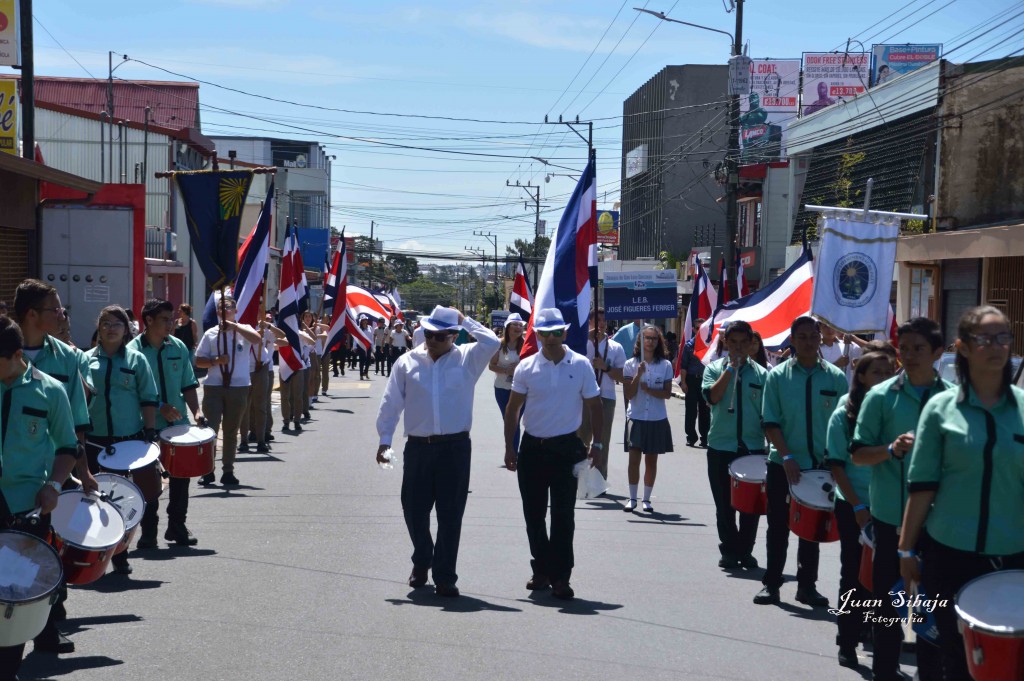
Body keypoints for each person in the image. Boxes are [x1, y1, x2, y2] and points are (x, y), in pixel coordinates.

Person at [899, 306, 1024, 681]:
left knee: (1012, 666)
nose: (996, 346)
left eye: (1003, 337)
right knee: (957, 663)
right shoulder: (940, 409)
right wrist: (906, 548)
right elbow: (921, 486)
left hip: (1014, 556)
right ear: (962, 347)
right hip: (949, 555)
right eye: (984, 338)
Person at [851, 317, 951, 681]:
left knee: (932, 615)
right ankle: (884, 672)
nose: (908, 356)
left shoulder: (953, 399)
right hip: (891, 520)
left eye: (918, 349)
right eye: (903, 348)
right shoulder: (880, 396)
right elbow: (858, 454)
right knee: (888, 610)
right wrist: (891, 450)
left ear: (938, 353)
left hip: (940, 525)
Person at [375, 306, 499, 597]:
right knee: (413, 508)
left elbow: (492, 342)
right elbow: (391, 402)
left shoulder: (468, 357)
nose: (431, 340)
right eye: (428, 334)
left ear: (453, 336)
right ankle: (422, 557)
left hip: (455, 447)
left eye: (439, 336)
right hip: (418, 447)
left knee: (450, 513)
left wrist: (463, 318)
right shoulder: (406, 363)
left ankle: (444, 575)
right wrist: (384, 440)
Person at [0, 316, 82, 675]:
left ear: (17, 355)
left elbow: (68, 447)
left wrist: (55, 485)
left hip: (25, 508)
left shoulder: (50, 391)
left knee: (12, 598)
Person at [503, 308, 604, 601]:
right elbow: (513, 409)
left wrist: (597, 444)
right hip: (533, 448)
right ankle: (541, 569)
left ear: (565, 333)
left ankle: (561, 576)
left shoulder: (581, 364)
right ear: (536, 335)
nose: (550, 338)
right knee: (534, 515)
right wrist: (510, 446)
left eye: (556, 332)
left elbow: (595, 406)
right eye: (544, 333)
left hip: (567, 449)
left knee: (563, 516)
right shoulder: (526, 367)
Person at [754, 315, 848, 607]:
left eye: (813, 336)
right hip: (783, 464)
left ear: (821, 338)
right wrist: (787, 456)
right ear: (792, 341)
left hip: (820, 467)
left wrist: (836, 461)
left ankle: (807, 586)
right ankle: (772, 584)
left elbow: (843, 423)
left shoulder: (835, 377)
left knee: (813, 527)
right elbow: (770, 421)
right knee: (778, 526)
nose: (809, 342)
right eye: (802, 337)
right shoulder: (778, 376)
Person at [825, 351, 897, 670]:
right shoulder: (844, 412)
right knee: (853, 575)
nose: (883, 377)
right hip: (853, 503)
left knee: (884, 580)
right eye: (876, 372)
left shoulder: (897, 410)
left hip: (889, 505)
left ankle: (877, 637)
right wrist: (856, 506)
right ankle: (847, 639)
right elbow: (837, 466)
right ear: (862, 376)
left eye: (888, 371)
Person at [84, 305, 159, 572]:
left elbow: (149, 398)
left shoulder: (137, 360)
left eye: (117, 323)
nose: (111, 328)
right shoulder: (85, 360)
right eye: (105, 323)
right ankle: (95, 554)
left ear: (126, 329)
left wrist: (150, 431)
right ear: (98, 328)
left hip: (129, 442)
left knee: (127, 498)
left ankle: (121, 554)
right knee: (96, 498)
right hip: (94, 441)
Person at [128, 299, 206, 547]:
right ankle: (148, 531)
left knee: (181, 477)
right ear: (148, 321)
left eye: (172, 319)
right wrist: (160, 406)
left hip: (178, 426)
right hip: (144, 425)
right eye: (165, 319)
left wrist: (197, 412)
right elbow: (131, 393)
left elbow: (188, 385)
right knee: (147, 480)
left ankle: (177, 526)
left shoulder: (179, 347)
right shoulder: (132, 352)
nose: (171, 324)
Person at [701, 321, 768, 569]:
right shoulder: (713, 369)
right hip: (721, 446)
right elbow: (713, 397)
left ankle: (745, 550)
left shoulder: (763, 374)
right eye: (733, 343)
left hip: (752, 448)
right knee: (724, 504)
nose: (738, 348)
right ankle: (728, 550)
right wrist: (729, 370)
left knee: (751, 507)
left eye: (743, 343)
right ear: (725, 344)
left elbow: (768, 414)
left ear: (751, 344)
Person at [194, 294, 262, 486]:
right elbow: (199, 360)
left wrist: (234, 327)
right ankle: (208, 470)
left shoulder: (244, 330)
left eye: (229, 308)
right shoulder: (211, 333)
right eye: (222, 309)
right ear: (217, 312)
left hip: (238, 387)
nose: (225, 311)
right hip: (214, 386)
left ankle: (228, 470)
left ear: (235, 311)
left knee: (231, 431)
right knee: (210, 430)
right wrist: (215, 361)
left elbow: (256, 340)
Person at [622, 325, 674, 512]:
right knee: (634, 459)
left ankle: (646, 499)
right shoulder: (630, 364)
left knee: (651, 461)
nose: (650, 341)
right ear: (640, 341)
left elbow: (667, 394)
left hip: (656, 419)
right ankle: (632, 498)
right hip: (635, 417)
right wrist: (638, 375)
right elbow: (628, 394)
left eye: (654, 338)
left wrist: (650, 390)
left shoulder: (665, 365)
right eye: (647, 338)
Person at [579, 308, 625, 482]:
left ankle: (599, 479)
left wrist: (606, 367)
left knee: (602, 440)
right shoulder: (582, 343)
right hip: (584, 397)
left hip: (606, 397)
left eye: (604, 320)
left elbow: (623, 376)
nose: (602, 324)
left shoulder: (615, 347)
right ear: (590, 322)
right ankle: (581, 477)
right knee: (581, 438)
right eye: (598, 320)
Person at [240, 313, 284, 454]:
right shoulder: (242, 326)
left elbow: (282, 336)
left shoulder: (264, 328)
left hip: (262, 367)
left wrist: (268, 326)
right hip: (245, 368)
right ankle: (244, 441)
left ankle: (261, 440)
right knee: (244, 408)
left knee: (261, 406)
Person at [489, 313, 525, 452]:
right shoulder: (498, 344)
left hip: (520, 389)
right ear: (508, 328)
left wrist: (519, 368)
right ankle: (511, 449)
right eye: (515, 325)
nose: (518, 327)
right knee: (508, 420)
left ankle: (513, 450)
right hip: (502, 388)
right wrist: (506, 371)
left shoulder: (525, 345)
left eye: (520, 325)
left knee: (514, 420)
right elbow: (491, 366)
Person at [677, 318, 711, 447]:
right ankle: (691, 436)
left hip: (705, 380)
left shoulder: (710, 345)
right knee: (690, 410)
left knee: (705, 411)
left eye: (703, 328)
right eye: (698, 328)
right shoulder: (689, 346)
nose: (700, 330)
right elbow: (684, 366)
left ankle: (705, 438)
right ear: (693, 329)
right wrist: (684, 382)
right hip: (691, 380)